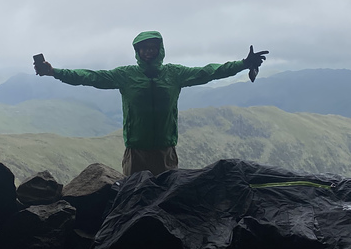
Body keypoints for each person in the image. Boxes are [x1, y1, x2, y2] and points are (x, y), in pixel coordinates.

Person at [33, 30, 268, 175]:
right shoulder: (125, 75)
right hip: (136, 152)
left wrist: (242, 64)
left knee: (165, 203)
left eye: (152, 48)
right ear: (137, 51)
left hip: (166, 150)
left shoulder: (174, 74)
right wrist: (55, 72)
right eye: (143, 48)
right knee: (135, 204)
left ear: (160, 49)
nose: (148, 52)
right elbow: (90, 77)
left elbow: (209, 72)